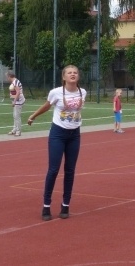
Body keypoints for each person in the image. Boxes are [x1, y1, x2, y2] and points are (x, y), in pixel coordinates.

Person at [27, 65, 86, 221]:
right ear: (64, 77)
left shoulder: (83, 92)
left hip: (75, 134)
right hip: (58, 134)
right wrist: (33, 116)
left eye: (75, 73)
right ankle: (46, 205)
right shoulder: (56, 92)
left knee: (70, 170)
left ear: (78, 76)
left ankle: (65, 205)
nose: (73, 74)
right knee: (53, 169)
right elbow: (47, 105)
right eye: (69, 73)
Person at [7, 71, 25, 136]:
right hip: (16, 101)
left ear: (9, 76)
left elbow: (18, 92)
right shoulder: (14, 82)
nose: (7, 78)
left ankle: (18, 131)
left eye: (7, 77)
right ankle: (15, 129)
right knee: (15, 116)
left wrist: (14, 102)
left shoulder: (15, 82)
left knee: (17, 116)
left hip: (19, 101)